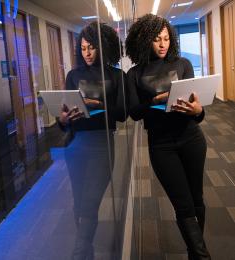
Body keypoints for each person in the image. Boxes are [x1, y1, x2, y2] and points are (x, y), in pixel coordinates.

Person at [126, 14, 211, 259]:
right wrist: (155, 100)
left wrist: (199, 110)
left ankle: (196, 252)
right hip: (161, 145)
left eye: (166, 39)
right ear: (144, 40)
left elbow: (197, 111)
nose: (163, 44)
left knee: (197, 198)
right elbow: (133, 113)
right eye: (156, 39)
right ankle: (202, 255)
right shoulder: (134, 73)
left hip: (192, 138)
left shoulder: (182, 64)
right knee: (182, 203)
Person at [58, 22, 127, 260]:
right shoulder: (73, 75)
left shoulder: (117, 75)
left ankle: (78, 253)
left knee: (89, 201)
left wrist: (100, 106)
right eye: (84, 48)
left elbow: (123, 114)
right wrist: (64, 119)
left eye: (92, 47)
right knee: (80, 204)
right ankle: (86, 252)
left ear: (103, 47)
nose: (87, 53)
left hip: (102, 144)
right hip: (75, 144)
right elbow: (64, 117)